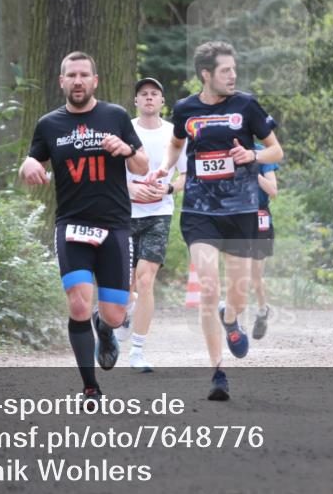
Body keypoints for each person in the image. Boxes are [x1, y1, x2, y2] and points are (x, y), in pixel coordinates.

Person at [147, 41, 283, 401]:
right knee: (208, 288)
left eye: (234, 69)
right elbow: (177, 145)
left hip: (241, 212)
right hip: (200, 211)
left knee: (236, 294)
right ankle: (217, 372)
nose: (233, 75)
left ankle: (231, 318)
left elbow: (276, 150)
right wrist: (163, 168)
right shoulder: (185, 109)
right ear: (206, 74)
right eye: (226, 71)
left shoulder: (247, 105)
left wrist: (250, 153)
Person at [18, 51, 148, 407]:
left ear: (94, 81)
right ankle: (90, 387)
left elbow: (141, 165)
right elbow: (33, 158)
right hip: (72, 224)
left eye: (83, 75)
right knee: (77, 304)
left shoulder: (115, 116)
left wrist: (124, 149)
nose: (77, 81)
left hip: (114, 226)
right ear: (62, 82)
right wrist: (27, 164)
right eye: (71, 75)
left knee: (115, 314)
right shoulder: (49, 124)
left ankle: (104, 327)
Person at [119, 77, 187, 373]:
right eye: (143, 94)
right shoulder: (124, 131)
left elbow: (186, 176)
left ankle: (137, 351)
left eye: (154, 94)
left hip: (159, 213)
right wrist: (130, 189)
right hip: (123, 212)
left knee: (146, 281)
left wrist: (168, 189)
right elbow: (108, 174)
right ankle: (120, 315)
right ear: (135, 101)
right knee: (125, 286)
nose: (148, 98)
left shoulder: (175, 134)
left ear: (162, 102)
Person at [248, 142, 278, 339]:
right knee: (236, 269)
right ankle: (233, 316)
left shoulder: (262, 152)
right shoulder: (223, 147)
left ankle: (261, 309)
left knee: (255, 273)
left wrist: (252, 172)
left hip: (259, 215)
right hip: (233, 214)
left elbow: (273, 190)